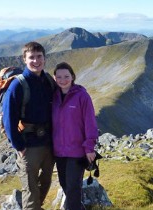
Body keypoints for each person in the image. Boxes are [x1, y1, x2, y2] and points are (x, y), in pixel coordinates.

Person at [2, 41, 55, 210]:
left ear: (45, 59)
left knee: (46, 183)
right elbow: (8, 119)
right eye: (31, 57)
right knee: (31, 191)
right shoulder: (17, 85)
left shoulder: (48, 80)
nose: (36, 61)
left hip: (48, 143)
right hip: (29, 146)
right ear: (24, 59)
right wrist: (19, 146)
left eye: (39, 57)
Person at [52, 62, 98, 210]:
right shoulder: (53, 98)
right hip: (59, 152)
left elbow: (90, 122)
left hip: (77, 151)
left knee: (73, 187)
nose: (62, 80)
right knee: (65, 184)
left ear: (72, 76)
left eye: (66, 76)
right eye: (59, 77)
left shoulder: (82, 96)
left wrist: (89, 147)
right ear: (54, 78)